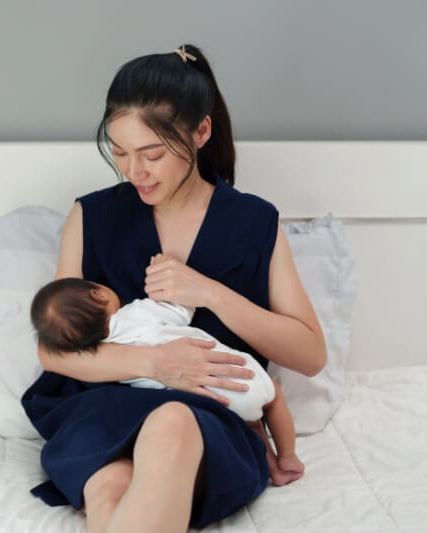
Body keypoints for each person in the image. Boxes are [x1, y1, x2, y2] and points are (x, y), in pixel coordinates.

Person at [20, 43, 326, 533]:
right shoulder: (92, 216)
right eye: (119, 152)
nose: (133, 171)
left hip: (212, 419)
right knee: (108, 484)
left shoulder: (253, 222)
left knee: (172, 424)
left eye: (152, 154)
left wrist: (210, 293)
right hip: (103, 402)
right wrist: (155, 364)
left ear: (201, 131)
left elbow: (310, 354)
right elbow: (53, 352)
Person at [29, 276, 306, 487]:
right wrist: (167, 288)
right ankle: (287, 457)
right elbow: (181, 309)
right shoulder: (137, 313)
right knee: (273, 399)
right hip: (237, 373)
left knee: (251, 421)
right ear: (97, 292)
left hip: (214, 403)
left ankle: (272, 468)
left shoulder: (107, 359)